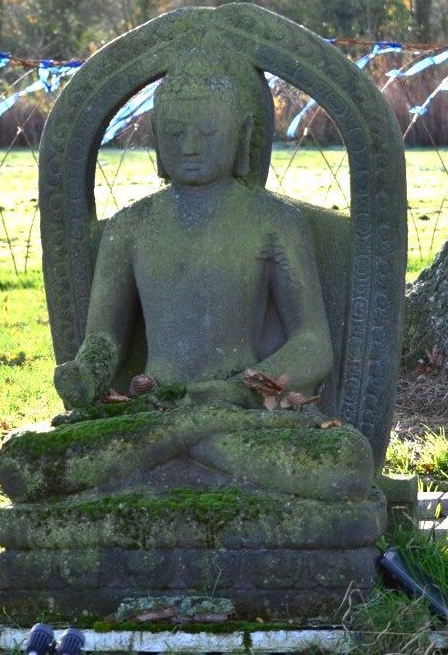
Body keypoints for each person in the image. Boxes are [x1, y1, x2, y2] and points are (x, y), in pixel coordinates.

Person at [51, 47, 375, 500]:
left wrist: (241, 391)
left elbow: (313, 344)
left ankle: (180, 452)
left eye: (207, 131)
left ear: (242, 135)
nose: (189, 146)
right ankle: (195, 448)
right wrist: (88, 370)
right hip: (152, 410)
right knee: (27, 462)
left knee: (346, 465)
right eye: (175, 132)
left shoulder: (274, 223)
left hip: (242, 415)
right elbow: (105, 337)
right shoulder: (131, 227)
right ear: (155, 140)